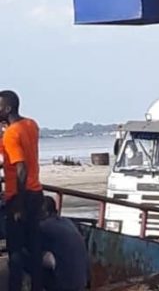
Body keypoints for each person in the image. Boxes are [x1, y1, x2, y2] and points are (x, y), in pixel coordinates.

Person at [0, 90, 44, 291]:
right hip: (36, 194)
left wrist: (17, 203)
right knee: (34, 247)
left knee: (15, 251)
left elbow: (21, 168)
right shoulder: (31, 124)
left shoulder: (11, 133)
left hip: (19, 196)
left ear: (7, 108)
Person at [39, 196, 89, 291]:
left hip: (64, 286)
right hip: (81, 283)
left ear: (44, 213)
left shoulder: (44, 226)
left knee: (22, 257)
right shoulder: (68, 222)